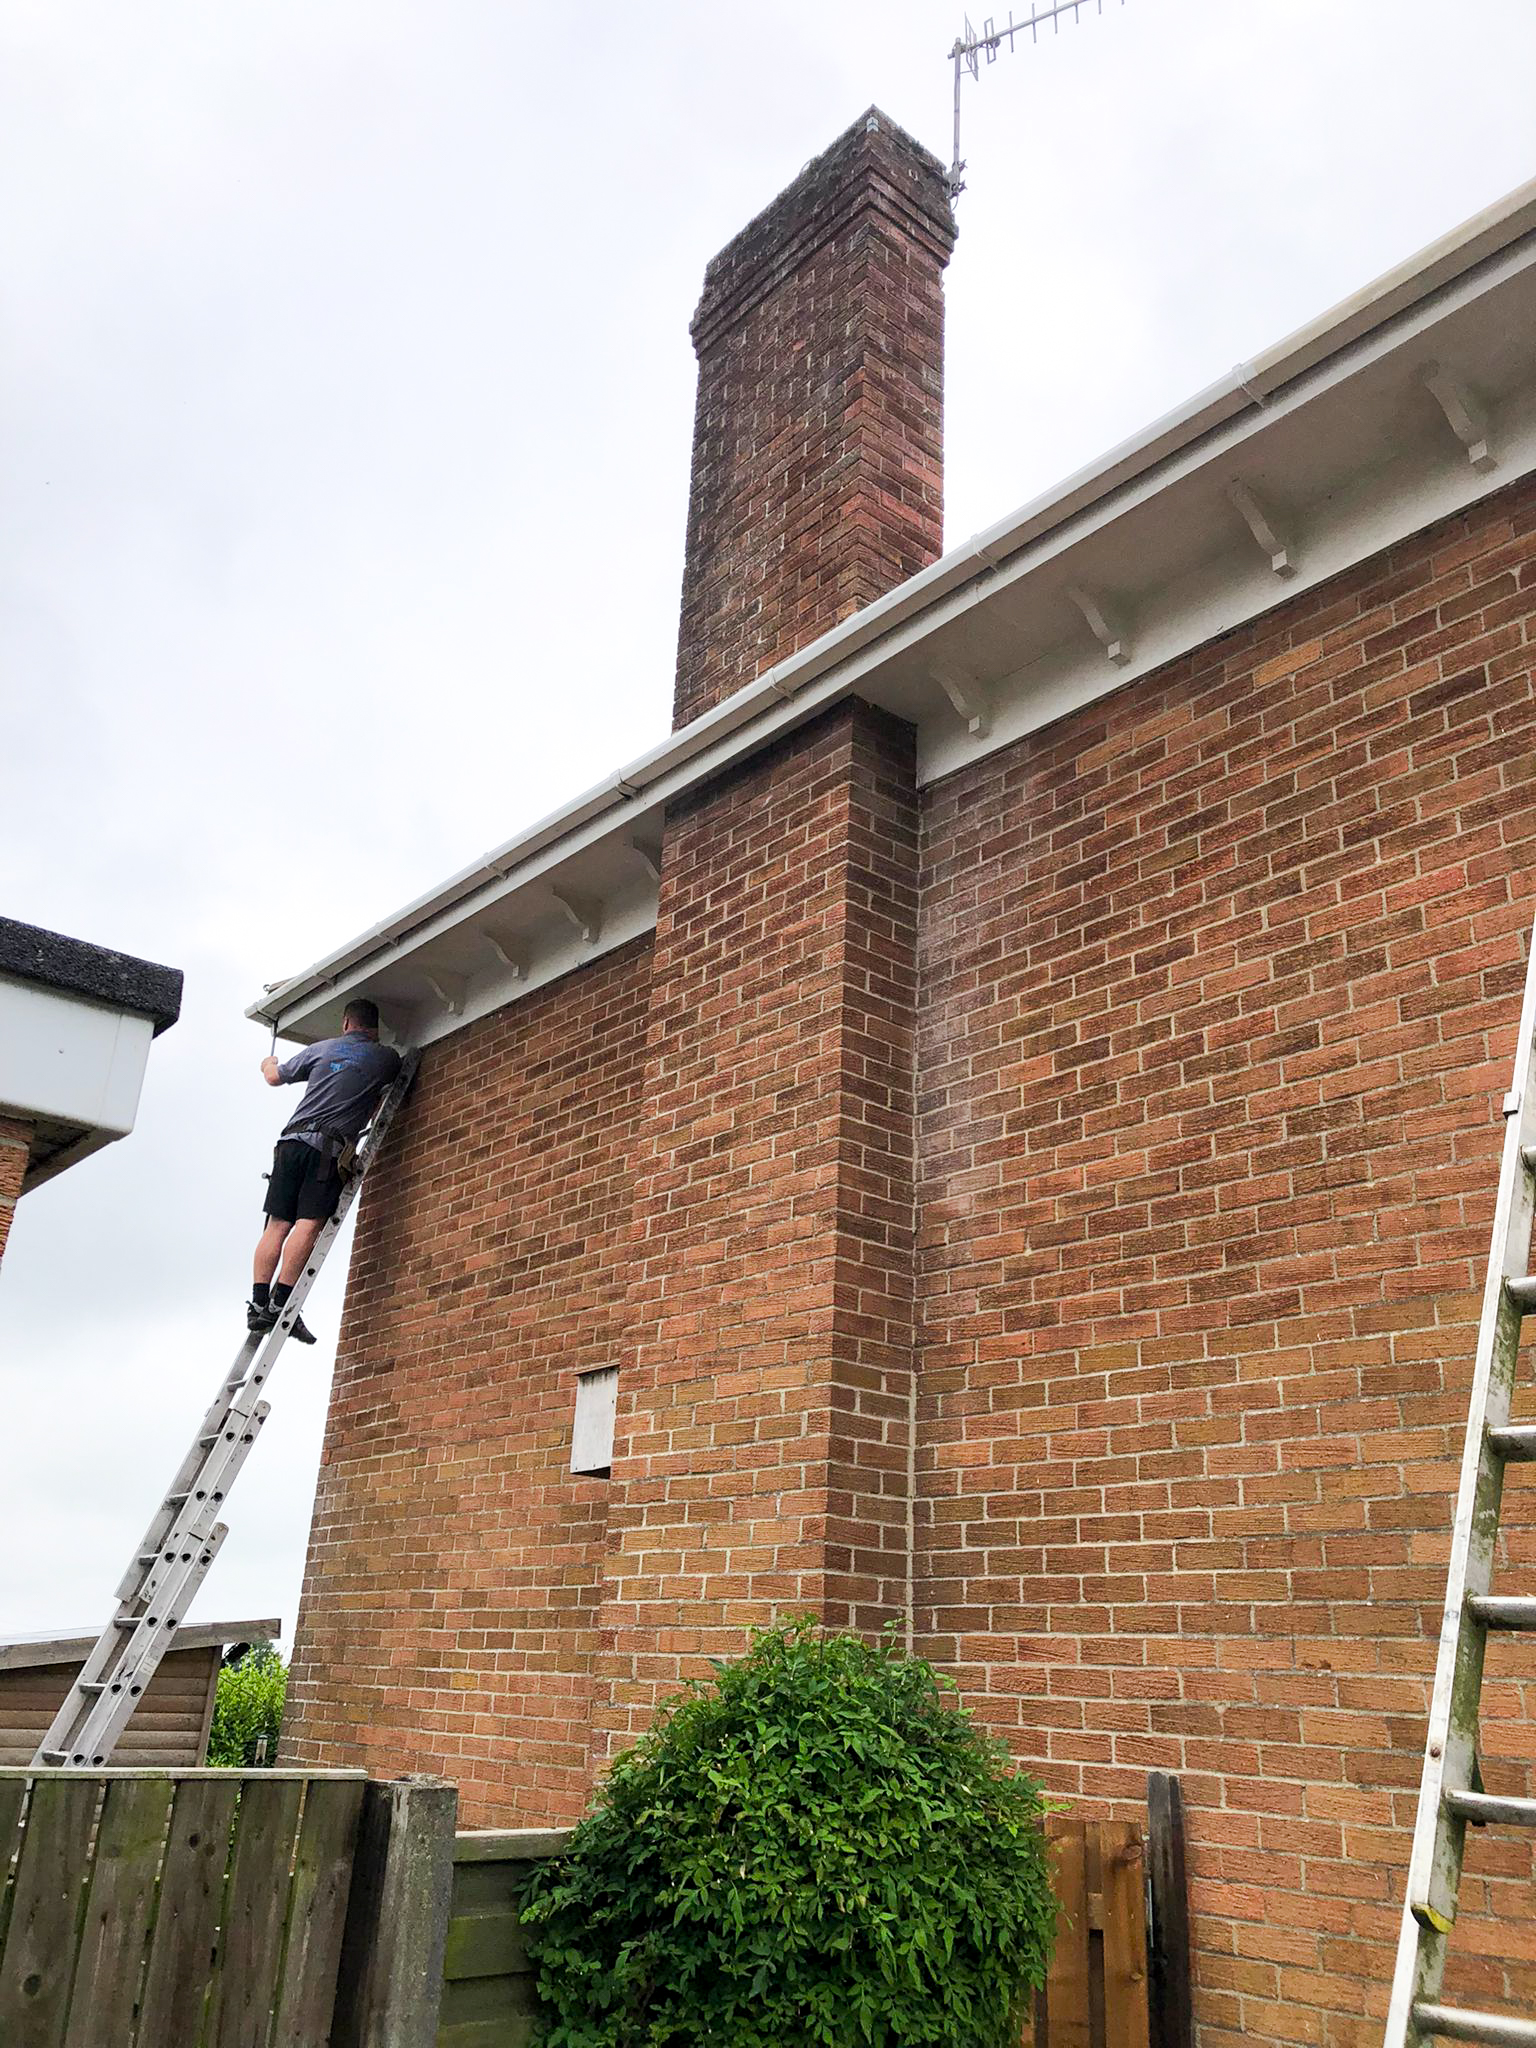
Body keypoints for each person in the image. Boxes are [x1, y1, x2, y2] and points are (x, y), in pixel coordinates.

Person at [248, 998, 402, 1342]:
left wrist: (268, 1063)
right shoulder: (385, 1058)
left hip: (290, 1143)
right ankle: (280, 1303)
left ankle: (257, 1304)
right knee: (309, 1223)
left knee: (277, 1224)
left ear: (346, 1023)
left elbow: (273, 1077)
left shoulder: (321, 1049)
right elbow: (387, 1087)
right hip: (327, 1150)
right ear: (374, 1028)